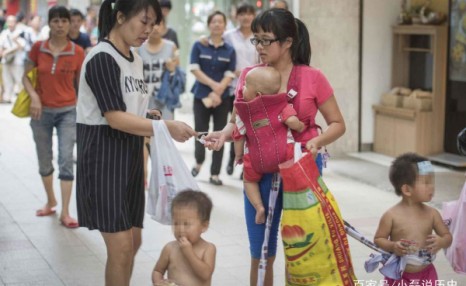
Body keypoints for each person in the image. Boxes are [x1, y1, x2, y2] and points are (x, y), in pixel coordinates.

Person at [204, 8, 346, 285]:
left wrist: (316, 141)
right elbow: (238, 120)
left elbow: (338, 123)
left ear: (288, 42)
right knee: (260, 250)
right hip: (259, 169)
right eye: (255, 40)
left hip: (301, 169)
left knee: (301, 248)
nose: (258, 47)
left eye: (265, 40)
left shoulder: (313, 77)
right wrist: (223, 134)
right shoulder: (249, 75)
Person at [75, 0, 196, 285]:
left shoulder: (134, 58)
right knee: (121, 248)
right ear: (120, 17)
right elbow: (115, 117)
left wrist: (150, 116)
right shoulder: (102, 57)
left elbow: (131, 110)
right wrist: (164, 125)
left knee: (134, 241)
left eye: (153, 24)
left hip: (129, 157)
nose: (149, 30)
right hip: (104, 158)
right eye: (144, 21)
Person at [22, 6, 85, 228]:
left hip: (68, 111)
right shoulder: (38, 48)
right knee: (44, 158)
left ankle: (66, 212)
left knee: (66, 159)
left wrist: (82, 109)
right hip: (41, 111)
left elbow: (81, 85)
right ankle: (50, 200)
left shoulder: (78, 52)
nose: (60, 25)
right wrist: (34, 98)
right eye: (55, 21)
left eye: (64, 21)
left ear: (70, 24)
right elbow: (26, 77)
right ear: (50, 23)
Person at [234, 66, 304, 224]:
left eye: (245, 86)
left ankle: (259, 207)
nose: (242, 89)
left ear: (257, 94)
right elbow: (292, 121)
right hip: (285, 153)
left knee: (249, 181)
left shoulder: (243, 112)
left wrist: (238, 155)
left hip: (255, 158)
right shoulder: (281, 103)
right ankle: (295, 203)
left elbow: (238, 135)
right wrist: (300, 127)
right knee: (294, 174)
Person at [374, 153, 452, 285]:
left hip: (427, 274)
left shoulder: (432, 214)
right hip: (398, 275)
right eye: (426, 182)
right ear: (407, 189)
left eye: (432, 181)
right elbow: (378, 239)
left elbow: (447, 236)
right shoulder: (391, 215)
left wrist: (441, 242)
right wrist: (393, 246)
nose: (432, 187)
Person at [189, 10, 236, 186]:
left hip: (222, 98)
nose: (217, 24)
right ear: (209, 25)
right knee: (200, 130)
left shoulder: (229, 50)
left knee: (220, 134)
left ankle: (215, 173)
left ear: (225, 26)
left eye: (220, 22)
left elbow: (230, 73)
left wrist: (219, 90)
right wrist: (213, 86)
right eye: (214, 21)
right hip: (201, 95)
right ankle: (198, 162)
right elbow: (194, 68)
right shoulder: (198, 45)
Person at [137, 18, 182, 188]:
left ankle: (162, 179)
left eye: (159, 24)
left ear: (164, 27)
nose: (155, 28)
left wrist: (172, 68)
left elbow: (177, 73)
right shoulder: (139, 47)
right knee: (144, 140)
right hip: (144, 100)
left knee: (163, 141)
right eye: (151, 24)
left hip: (164, 101)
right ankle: (143, 176)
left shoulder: (171, 47)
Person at [223, 2, 258, 176]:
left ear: (254, 16)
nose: (245, 17)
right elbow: (218, 49)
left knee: (250, 128)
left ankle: (246, 164)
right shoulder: (228, 36)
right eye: (242, 14)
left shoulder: (259, 36)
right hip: (233, 87)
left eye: (249, 14)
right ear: (237, 16)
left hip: (254, 89)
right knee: (234, 124)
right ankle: (232, 160)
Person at [152, 189, 216, 286]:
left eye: (186, 224)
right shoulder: (170, 248)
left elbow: (205, 274)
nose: (180, 229)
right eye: (176, 223)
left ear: (204, 226)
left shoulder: (208, 249)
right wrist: (158, 282)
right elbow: (158, 271)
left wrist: (188, 252)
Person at [0, 15, 26, 103]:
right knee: (7, 79)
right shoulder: (4, 33)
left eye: (12, 21)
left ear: (16, 22)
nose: (10, 24)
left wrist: (8, 50)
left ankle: (22, 98)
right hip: (6, 60)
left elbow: (22, 46)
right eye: (9, 21)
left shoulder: (20, 32)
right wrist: (3, 53)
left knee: (19, 79)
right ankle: (8, 97)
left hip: (17, 61)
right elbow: (1, 46)